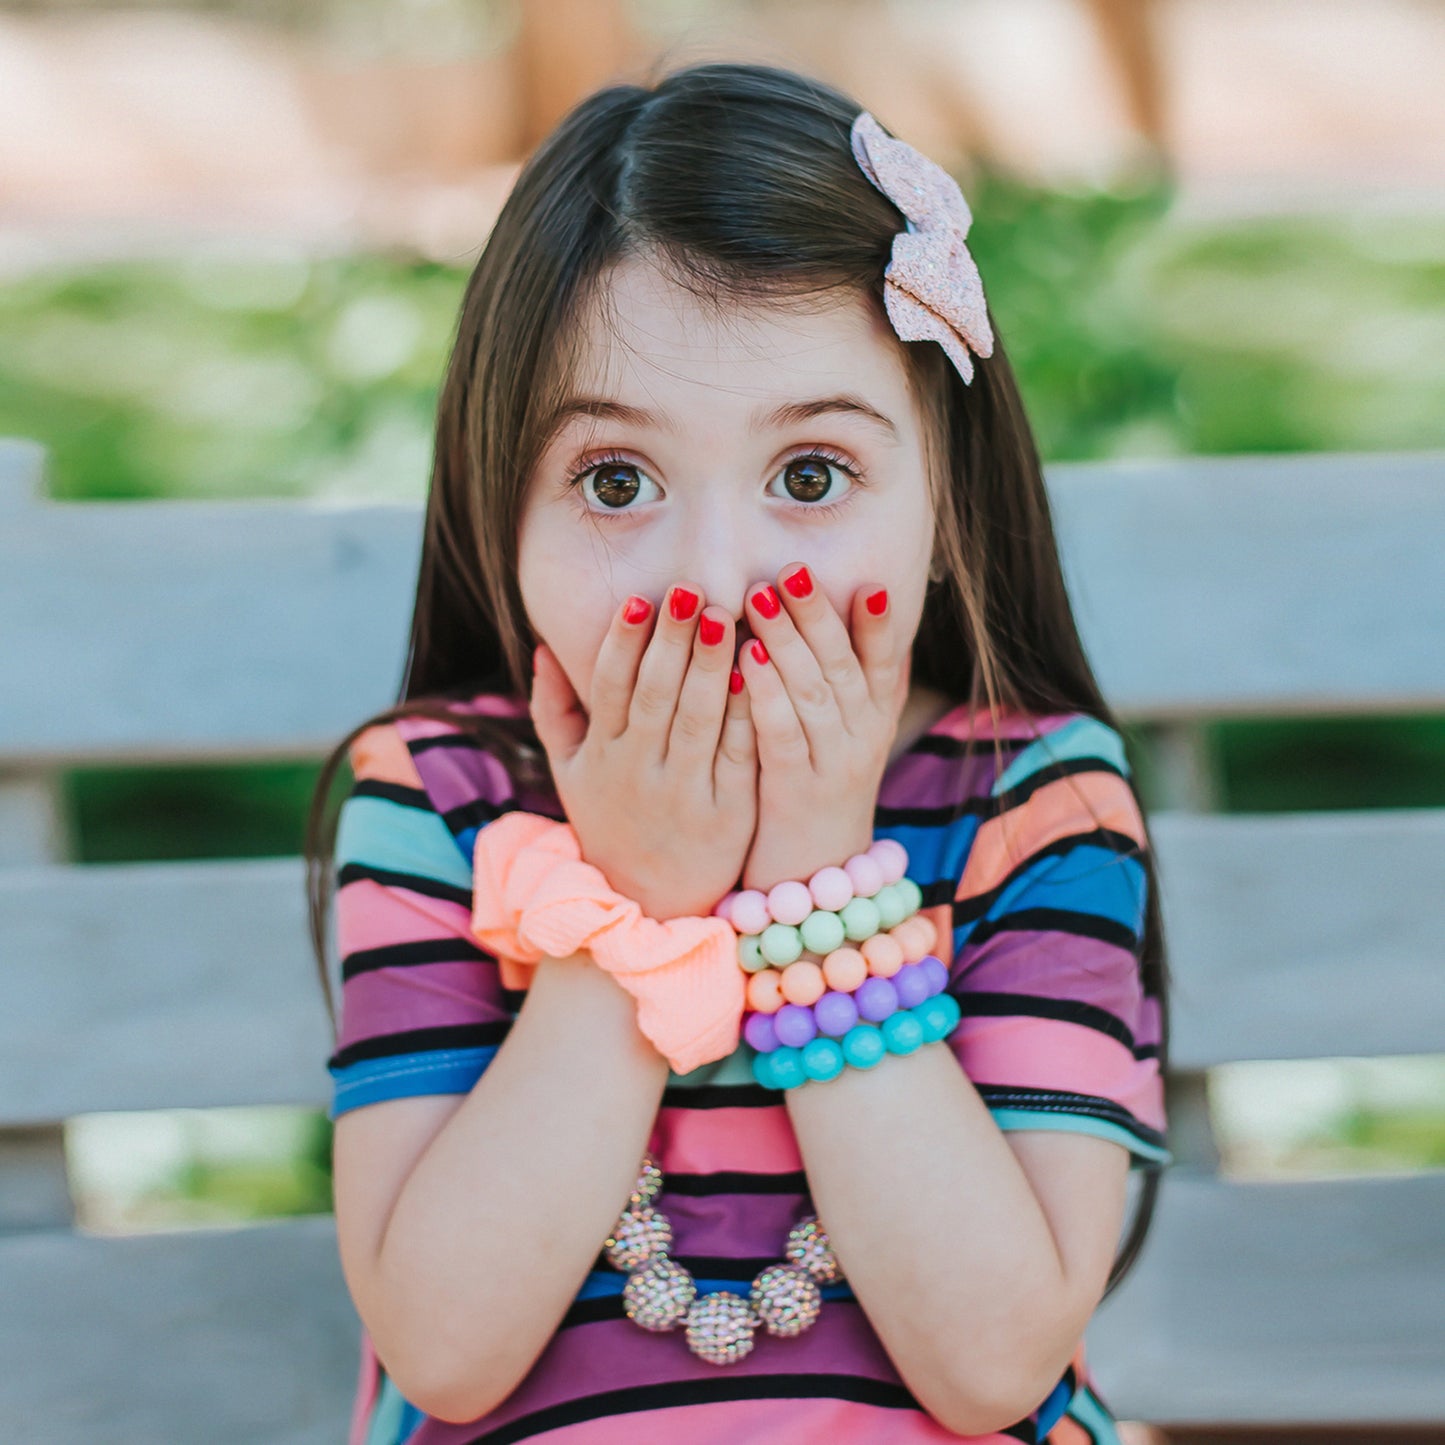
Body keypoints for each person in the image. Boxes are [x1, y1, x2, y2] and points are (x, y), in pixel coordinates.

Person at [303, 59, 1173, 1445]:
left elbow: (995, 1361)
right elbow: (444, 1349)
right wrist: (631, 909)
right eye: (614, 481)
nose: (714, 576)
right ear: (498, 505)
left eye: (810, 475)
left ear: (942, 507)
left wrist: (819, 883)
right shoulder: (438, 798)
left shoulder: (1035, 803)